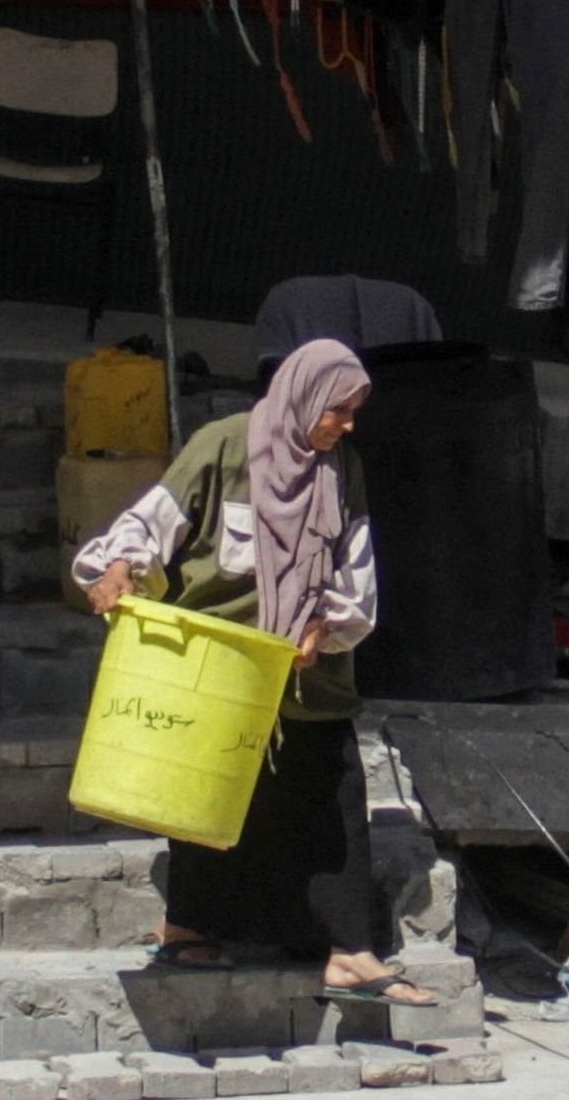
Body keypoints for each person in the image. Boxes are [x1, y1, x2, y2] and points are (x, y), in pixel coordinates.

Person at [73, 340, 431, 1006]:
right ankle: (187, 927)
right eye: (338, 411)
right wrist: (120, 569)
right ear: (301, 397)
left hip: (307, 678)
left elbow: (356, 573)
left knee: (332, 796)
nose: (347, 425)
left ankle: (349, 950)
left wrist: (324, 627)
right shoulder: (221, 449)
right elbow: (149, 529)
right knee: (205, 795)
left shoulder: (340, 469)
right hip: (216, 673)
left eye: (355, 412)